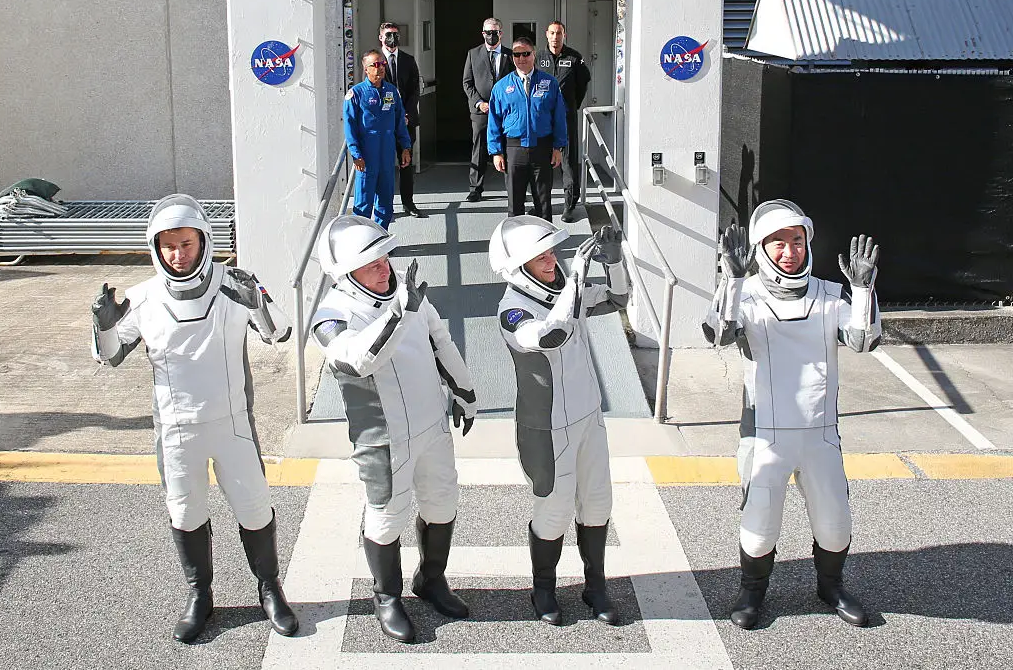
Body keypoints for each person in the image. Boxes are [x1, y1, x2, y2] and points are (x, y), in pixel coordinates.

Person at [90, 194, 298, 643]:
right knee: (185, 513)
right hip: (176, 428)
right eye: (168, 246)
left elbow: (279, 332)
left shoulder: (232, 283)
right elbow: (110, 357)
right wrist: (104, 326)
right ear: (155, 247)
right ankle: (200, 596)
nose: (178, 255)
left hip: (233, 423)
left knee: (255, 507)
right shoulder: (141, 298)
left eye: (186, 244)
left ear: (203, 240)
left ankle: (270, 590)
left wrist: (257, 300)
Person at [703, 199, 881, 630]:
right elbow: (717, 334)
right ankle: (752, 592)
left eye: (797, 241)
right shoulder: (744, 293)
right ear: (761, 248)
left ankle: (831, 586)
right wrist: (731, 279)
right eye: (777, 242)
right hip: (765, 434)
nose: (789, 251)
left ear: (808, 243)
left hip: (820, 433)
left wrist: (862, 290)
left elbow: (864, 341)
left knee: (835, 524)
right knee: (760, 524)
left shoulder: (829, 293)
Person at [309, 215, 478, 644]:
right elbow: (359, 359)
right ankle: (387, 597)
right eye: (371, 263)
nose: (384, 267)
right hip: (383, 438)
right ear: (345, 273)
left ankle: (431, 580)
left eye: (384, 257)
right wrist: (402, 313)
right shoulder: (330, 315)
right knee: (385, 519)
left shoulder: (406, 292)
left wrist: (464, 390)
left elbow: (440, 339)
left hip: (431, 424)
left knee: (442, 504)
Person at [489, 215, 630, 627]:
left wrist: (615, 261)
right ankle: (544, 589)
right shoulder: (511, 310)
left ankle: (596, 585)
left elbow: (620, 300)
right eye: (541, 256)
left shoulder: (565, 289)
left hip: (588, 417)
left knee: (598, 503)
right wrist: (574, 283)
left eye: (551, 251)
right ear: (518, 267)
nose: (552, 259)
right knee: (553, 511)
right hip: (547, 428)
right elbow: (552, 335)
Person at [488, 37, 566, 222]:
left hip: (542, 147)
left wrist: (558, 147)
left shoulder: (549, 83)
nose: (521, 58)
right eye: (517, 54)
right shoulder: (501, 87)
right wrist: (496, 152)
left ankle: (546, 246)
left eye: (526, 54)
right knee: (515, 204)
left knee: (543, 201)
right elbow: (494, 122)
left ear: (534, 55)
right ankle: (517, 246)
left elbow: (559, 117)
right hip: (514, 150)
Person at [344, 49, 412, 228]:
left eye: (382, 64)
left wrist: (405, 147)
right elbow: (349, 127)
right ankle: (363, 243)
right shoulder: (356, 94)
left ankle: (381, 240)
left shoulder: (392, 92)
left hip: (387, 154)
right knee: (363, 203)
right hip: (367, 156)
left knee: (385, 201)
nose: (380, 68)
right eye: (375, 64)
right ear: (365, 69)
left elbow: (400, 122)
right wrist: (355, 153)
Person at [536, 21, 591, 223]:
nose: (555, 37)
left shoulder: (574, 57)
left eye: (558, 33)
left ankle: (569, 205)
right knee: (542, 163)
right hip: (543, 119)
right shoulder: (538, 57)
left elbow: (583, 82)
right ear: (546, 34)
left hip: (566, 118)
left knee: (568, 163)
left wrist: (572, 104)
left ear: (564, 35)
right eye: (552, 33)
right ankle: (541, 204)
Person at [462, 17, 513, 202]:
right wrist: (479, 103)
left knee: (509, 149)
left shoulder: (511, 55)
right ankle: (475, 188)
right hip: (481, 112)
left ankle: (513, 189)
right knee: (479, 149)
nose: (492, 36)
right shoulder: (473, 54)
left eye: (495, 32)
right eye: (488, 32)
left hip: (506, 112)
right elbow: (467, 83)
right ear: (483, 33)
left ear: (501, 33)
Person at [380, 21, 426, 219]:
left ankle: (408, 202)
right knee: (384, 164)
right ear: (381, 37)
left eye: (395, 35)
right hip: (384, 123)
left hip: (406, 121)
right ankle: (384, 206)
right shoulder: (375, 60)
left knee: (406, 163)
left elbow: (415, 88)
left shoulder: (408, 60)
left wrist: (406, 114)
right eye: (389, 34)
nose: (392, 38)